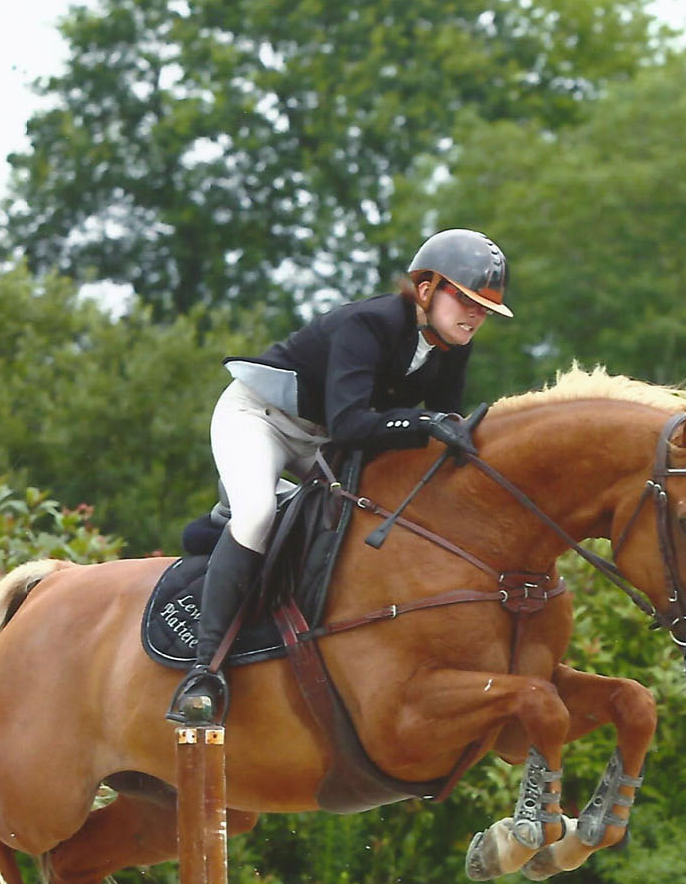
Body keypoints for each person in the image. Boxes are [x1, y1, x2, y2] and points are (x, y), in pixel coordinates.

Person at [166, 228, 514, 724]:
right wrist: (423, 424)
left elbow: (442, 429)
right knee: (259, 513)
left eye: (484, 308)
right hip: (260, 419)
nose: (476, 315)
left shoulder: (452, 346)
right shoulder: (370, 323)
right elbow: (355, 424)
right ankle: (202, 675)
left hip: (324, 438)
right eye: (465, 299)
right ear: (425, 288)